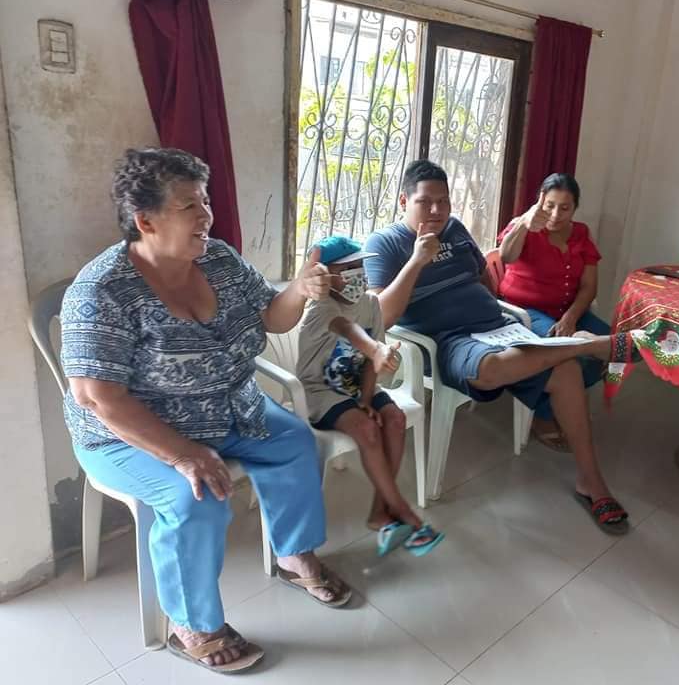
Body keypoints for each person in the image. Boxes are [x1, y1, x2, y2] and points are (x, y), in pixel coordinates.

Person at [61, 148, 353, 675]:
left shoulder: (218, 259)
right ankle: (192, 624)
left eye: (206, 201)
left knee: (294, 441)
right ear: (145, 220)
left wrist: (300, 289)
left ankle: (293, 554)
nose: (206, 216)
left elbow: (271, 317)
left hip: (226, 405)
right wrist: (183, 454)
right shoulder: (102, 290)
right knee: (195, 498)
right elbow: (98, 398)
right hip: (127, 433)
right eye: (189, 206)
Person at [363, 159, 636, 535]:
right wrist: (416, 261)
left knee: (565, 371)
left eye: (444, 201)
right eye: (426, 202)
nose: (437, 210)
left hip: (495, 327)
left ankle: (592, 481)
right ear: (404, 201)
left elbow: (484, 278)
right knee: (491, 369)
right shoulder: (384, 243)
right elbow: (381, 317)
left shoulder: (455, 229)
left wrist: (497, 311)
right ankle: (580, 346)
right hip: (448, 341)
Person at [297, 235, 444, 557]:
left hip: (356, 383)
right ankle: (402, 510)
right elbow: (349, 331)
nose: (357, 275)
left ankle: (380, 512)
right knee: (366, 428)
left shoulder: (370, 304)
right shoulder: (321, 309)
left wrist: (365, 400)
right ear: (325, 276)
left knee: (395, 419)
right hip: (320, 391)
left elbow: (369, 362)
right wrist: (376, 350)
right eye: (347, 269)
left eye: (360, 267)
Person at [498, 173, 610, 451]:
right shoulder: (524, 224)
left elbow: (589, 287)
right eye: (550, 205)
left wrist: (571, 317)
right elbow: (506, 256)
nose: (556, 214)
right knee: (570, 356)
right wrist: (524, 223)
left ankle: (566, 398)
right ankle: (544, 412)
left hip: (567, 310)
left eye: (565, 207)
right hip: (524, 312)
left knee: (612, 345)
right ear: (539, 202)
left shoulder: (581, 233)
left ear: (575, 208)